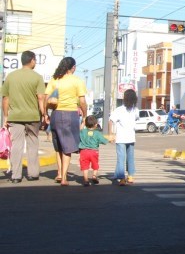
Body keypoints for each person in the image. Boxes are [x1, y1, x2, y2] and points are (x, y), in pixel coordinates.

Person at [1, 51, 47, 183]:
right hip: (33, 116)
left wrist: (5, 116)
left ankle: (16, 175)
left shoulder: (11, 76)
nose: (35, 62)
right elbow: (40, 98)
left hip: (15, 116)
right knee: (33, 143)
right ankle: (33, 173)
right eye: (35, 60)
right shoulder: (37, 77)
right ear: (32, 60)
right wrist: (44, 114)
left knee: (17, 145)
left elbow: (5, 99)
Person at [43, 57, 88, 186]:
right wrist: (84, 116)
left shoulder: (55, 79)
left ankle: (59, 173)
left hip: (56, 114)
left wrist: (45, 114)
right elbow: (83, 102)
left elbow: (46, 98)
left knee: (58, 147)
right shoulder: (77, 81)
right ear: (73, 67)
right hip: (70, 115)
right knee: (67, 147)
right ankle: (64, 177)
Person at [109, 89, 138, 186]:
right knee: (130, 157)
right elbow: (136, 119)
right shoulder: (135, 110)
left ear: (124, 98)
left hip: (121, 138)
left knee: (121, 158)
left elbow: (111, 121)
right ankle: (130, 176)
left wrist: (111, 134)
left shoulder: (119, 110)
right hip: (131, 137)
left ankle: (121, 178)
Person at [78, 114, 109, 186]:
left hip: (84, 151)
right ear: (95, 125)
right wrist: (110, 139)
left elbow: (80, 129)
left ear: (86, 124)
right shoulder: (97, 133)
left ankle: (86, 180)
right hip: (94, 152)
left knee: (85, 166)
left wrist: (82, 122)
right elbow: (104, 141)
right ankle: (94, 176)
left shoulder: (83, 132)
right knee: (95, 164)